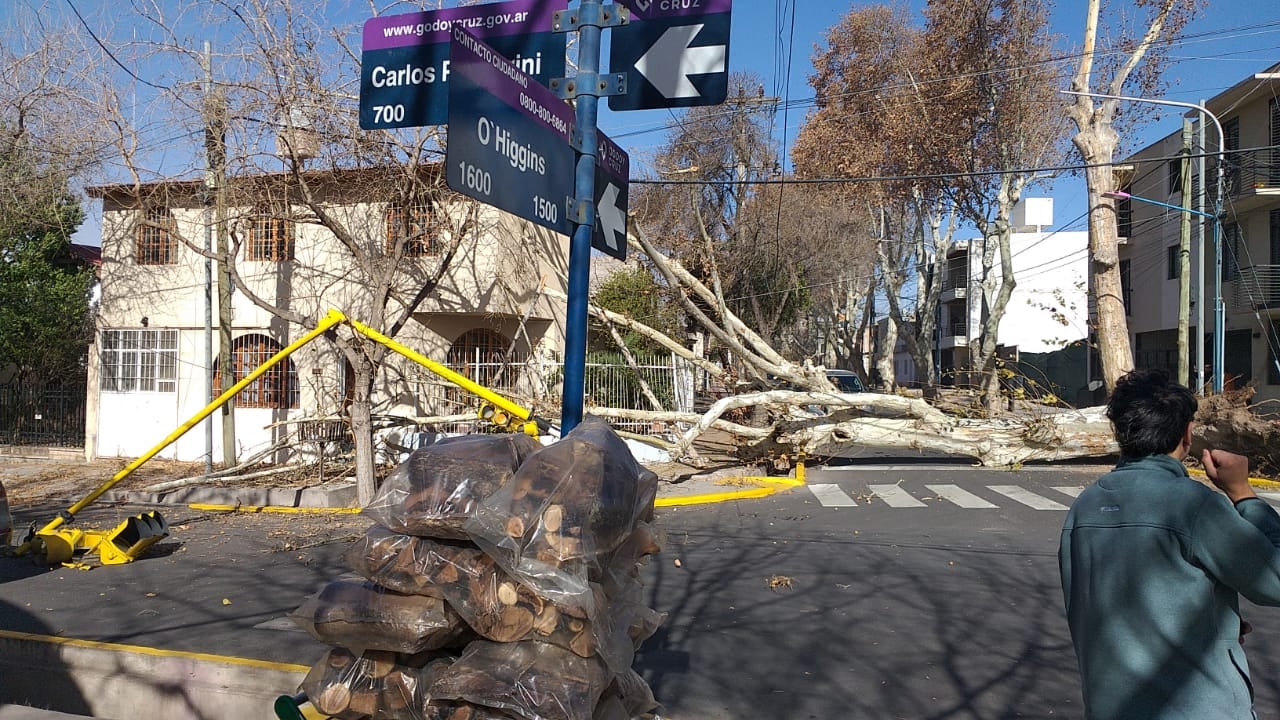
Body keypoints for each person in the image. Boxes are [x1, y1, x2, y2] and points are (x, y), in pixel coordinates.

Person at [1059, 368, 1280, 720]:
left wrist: (1217, 625)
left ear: (1118, 431)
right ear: (1187, 434)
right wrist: (1243, 493)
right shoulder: (1194, 505)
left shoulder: (1084, 508)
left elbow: (1095, 614)